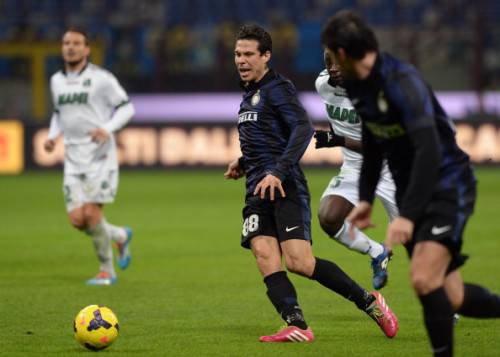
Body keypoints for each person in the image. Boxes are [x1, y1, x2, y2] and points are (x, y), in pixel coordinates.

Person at [321, 10, 500, 356]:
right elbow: (374, 142)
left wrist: (406, 216)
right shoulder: (359, 85)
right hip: (412, 184)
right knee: (453, 296)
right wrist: (366, 199)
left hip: (447, 184)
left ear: (342, 53)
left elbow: (430, 152)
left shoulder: (402, 82)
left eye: (330, 54)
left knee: (422, 278)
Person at [224, 24, 398, 343]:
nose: (241, 60)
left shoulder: (278, 88)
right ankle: (298, 325)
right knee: (263, 253)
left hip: (285, 185)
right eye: (237, 54)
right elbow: (266, 139)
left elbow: (302, 130)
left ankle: (370, 302)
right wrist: (244, 161)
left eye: (249, 54)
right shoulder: (250, 95)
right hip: (257, 189)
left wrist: (278, 171)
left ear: (266, 56)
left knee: (300, 263)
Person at [44, 28, 135, 285]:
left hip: (99, 157)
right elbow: (59, 114)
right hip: (72, 158)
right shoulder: (56, 81)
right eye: (66, 43)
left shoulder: (102, 79)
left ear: (86, 49)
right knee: (77, 220)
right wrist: (53, 136)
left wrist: (107, 129)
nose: (70, 47)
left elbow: (127, 107)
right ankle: (119, 236)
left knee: (92, 215)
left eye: (76, 43)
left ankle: (107, 271)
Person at [314, 49, 398, 290]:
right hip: (356, 167)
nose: (333, 68)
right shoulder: (323, 84)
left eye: (339, 62)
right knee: (328, 218)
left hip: (394, 168)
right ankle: (378, 252)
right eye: (328, 61)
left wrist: (338, 140)